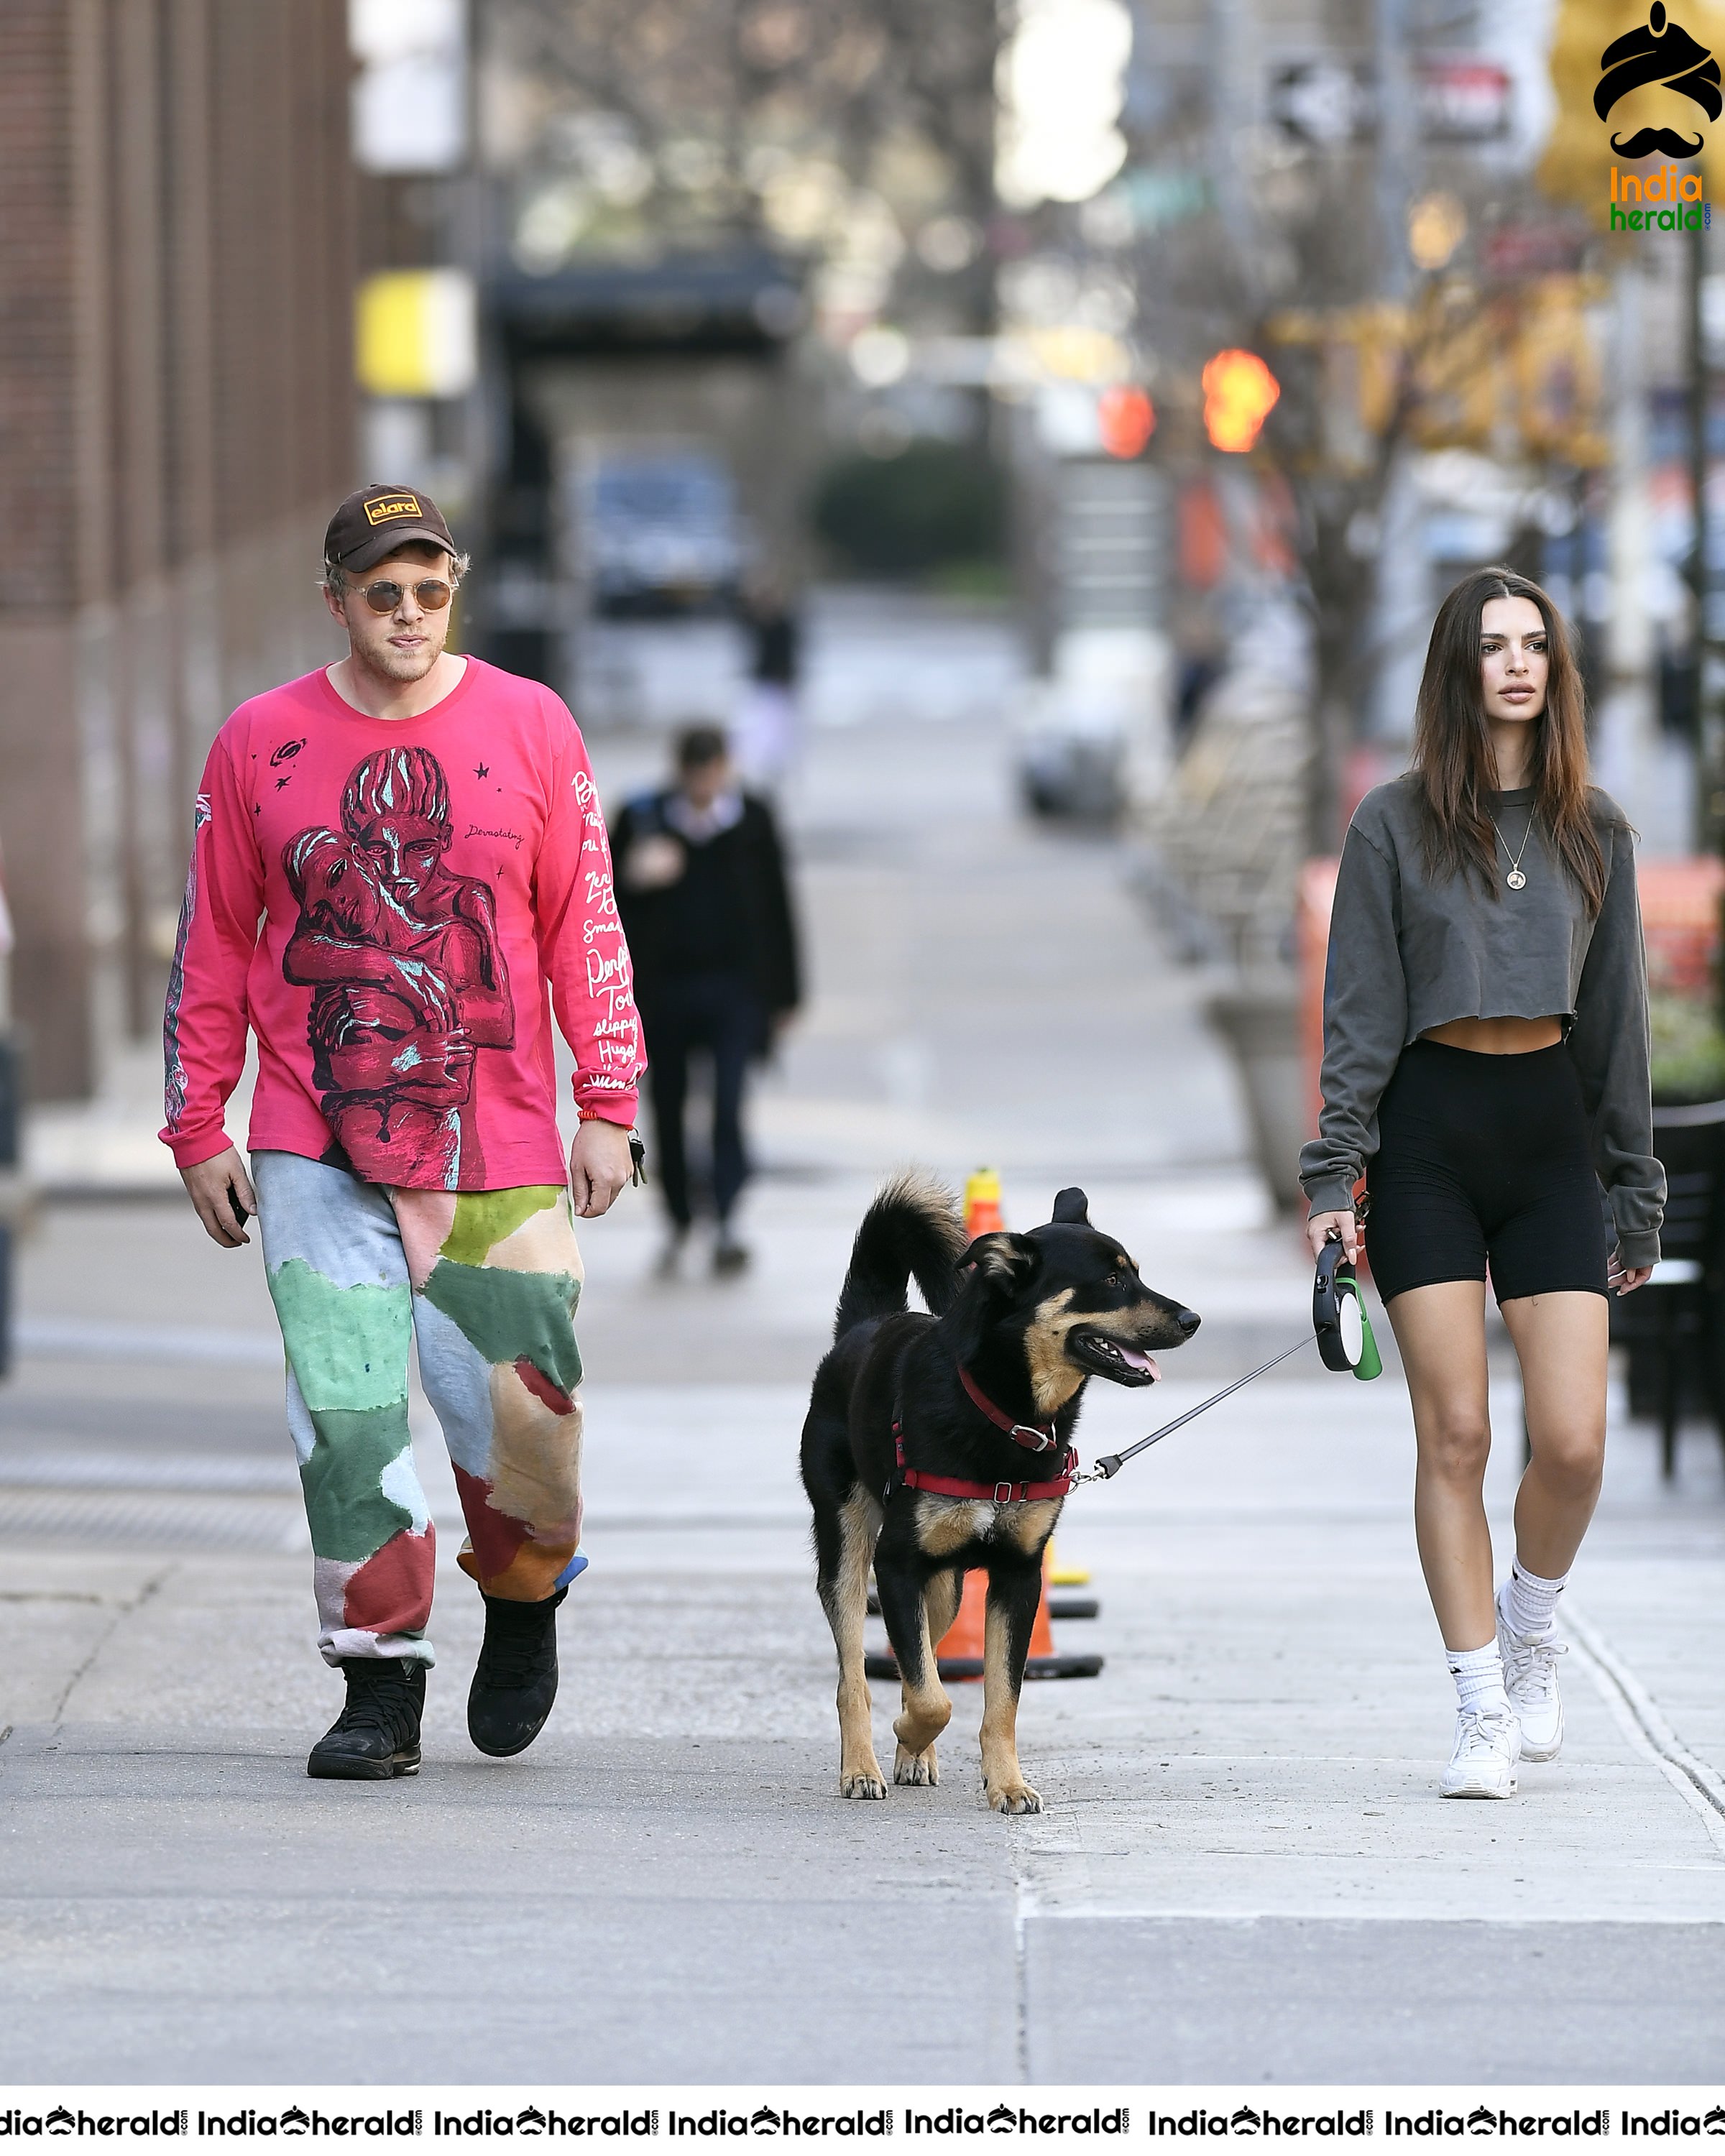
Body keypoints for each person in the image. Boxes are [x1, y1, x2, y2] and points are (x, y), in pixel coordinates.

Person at [160, 483, 644, 1781]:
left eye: (432, 591)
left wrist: (611, 1100)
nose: (410, 615)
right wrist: (196, 1123)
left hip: (499, 1154)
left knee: (521, 1421)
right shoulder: (257, 743)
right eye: (384, 593)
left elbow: (582, 926)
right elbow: (212, 944)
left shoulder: (533, 727)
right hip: (315, 1148)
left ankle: (527, 1595)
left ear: (457, 591)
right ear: (338, 601)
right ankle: (379, 1681)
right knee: (348, 1413)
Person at [1300, 566, 1662, 1802]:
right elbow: (1357, 1017)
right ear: (1459, 668)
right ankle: (1476, 1709)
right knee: (1455, 1432)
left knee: (1572, 1442)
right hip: (1430, 1139)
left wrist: (1636, 1183)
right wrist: (1335, 1177)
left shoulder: (1592, 828)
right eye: (1495, 646)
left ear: (1556, 674)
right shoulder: (1391, 825)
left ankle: (1531, 1619)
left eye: (1537, 648)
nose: (1518, 665)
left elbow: (1620, 1028)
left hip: (1550, 1131)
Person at [610, 724, 800, 1276]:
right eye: (695, 774)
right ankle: (678, 1217)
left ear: (726, 768)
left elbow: (778, 908)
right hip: (664, 992)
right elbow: (601, 904)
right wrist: (635, 876)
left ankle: (727, 1215)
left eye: (713, 772)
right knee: (666, 1105)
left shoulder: (753, 818)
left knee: (729, 1103)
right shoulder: (643, 818)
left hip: (736, 990)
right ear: (681, 771)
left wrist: (785, 995)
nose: (704, 785)